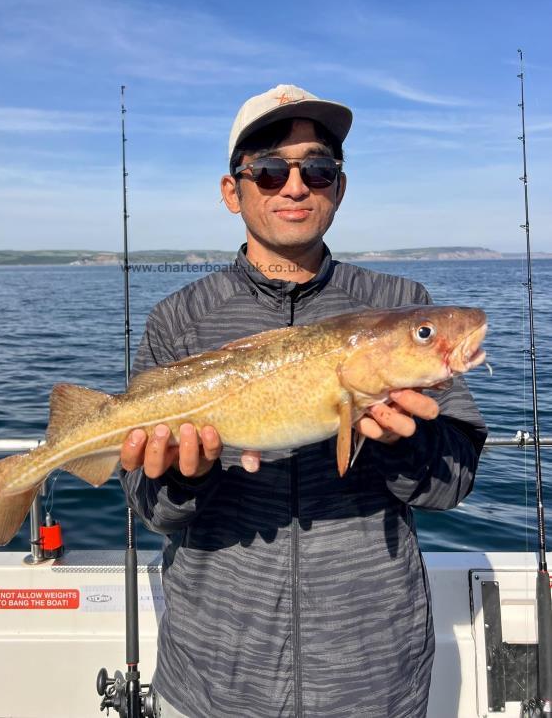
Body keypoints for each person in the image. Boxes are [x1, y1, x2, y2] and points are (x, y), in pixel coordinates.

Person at [119, 84, 486, 718]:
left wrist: (405, 445)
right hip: (214, 677)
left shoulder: (398, 302)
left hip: (374, 675)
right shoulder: (179, 320)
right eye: (269, 170)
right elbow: (149, 508)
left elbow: (451, 485)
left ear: (338, 188)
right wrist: (187, 477)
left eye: (317, 168)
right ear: (233, 191)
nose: (295, 186)